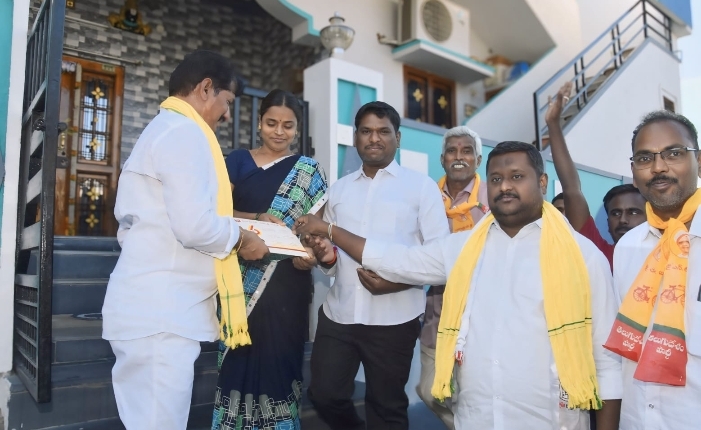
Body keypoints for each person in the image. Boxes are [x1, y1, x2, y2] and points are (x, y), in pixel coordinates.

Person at [295, 141, 623, 430]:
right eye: (496, 179)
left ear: (542, 182)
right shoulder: (464, 248)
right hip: (476, 418)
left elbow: (607, 363)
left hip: (550, 420)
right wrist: (331, 230)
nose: (505, 187)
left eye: (516, 177)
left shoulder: (582, 256)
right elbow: (396, 259)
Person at [102, 50, 269, 430]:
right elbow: (194, 226)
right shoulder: (184, 132)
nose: (227, 115)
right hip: (161, 315)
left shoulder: (166, 129)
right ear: (206, 88)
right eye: (228, 102)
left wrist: (247, 225)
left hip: (155, 310)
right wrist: (243, 239)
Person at [307, 101, 450, 430]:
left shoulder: (421, 187)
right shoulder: (339, 190)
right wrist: (326, 257)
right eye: (366, 131)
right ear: (355, 137)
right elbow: (331, 254)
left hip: (394, 319)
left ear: (398, 138)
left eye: (383, 131)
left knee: (387, 410)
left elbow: (440, 258)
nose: (374, 138)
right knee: (324, 394)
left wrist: (396, 283)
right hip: (340, 314)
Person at [211, 89, 328, 430]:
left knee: (280, 364)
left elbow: (312, 230)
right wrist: (258, 218)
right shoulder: (237, 161)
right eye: (272, 123)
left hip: (287, 284)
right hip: (239, 278)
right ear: (259, 123)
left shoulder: (308, 171)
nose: (279, 131)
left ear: (297, 129)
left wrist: (309, 253)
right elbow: (215, 214)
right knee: (237, 360)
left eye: (287, 125)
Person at [603, 110, 701, 429]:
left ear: (699, 161)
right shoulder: (627, 248)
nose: (658, 167)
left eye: (674, 153)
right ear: (634, 173)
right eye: (645, 158)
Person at [417, 126, 488, 429]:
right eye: (452, 151)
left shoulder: (492, 197)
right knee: (429, 390)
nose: (459, 157)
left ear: (478, 160)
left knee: (476, 394)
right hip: (439, 311)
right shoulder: (426, 196)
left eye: (467, 151)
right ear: (442, 159)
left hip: (482, 314)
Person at [546, 82, 646, 268]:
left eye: (633, 212)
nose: (623, 220)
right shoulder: (599, 254)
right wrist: (553, 124)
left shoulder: (671, 256)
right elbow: (571, 189)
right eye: (615, 213)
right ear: (607, 223)